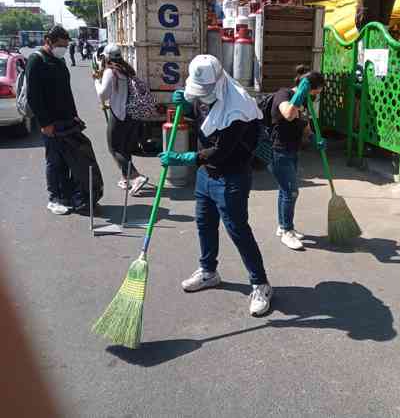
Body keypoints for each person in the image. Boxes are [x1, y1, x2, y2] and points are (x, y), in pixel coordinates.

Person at [161, 54, 272, 316]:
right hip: (205, 175)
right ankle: (209, 271)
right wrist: (185, 106)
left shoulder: (238, 109)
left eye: (204, 92)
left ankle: (261, 284)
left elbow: (220, 151)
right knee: (204, 223)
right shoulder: (205, 94)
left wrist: (184, 157)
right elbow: (200, 117)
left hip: (231, 176)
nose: (201, 96)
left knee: (237, 230)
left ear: (219, 82)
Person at [26, 25, 83, 215]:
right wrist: (44, 124)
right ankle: (55, 198)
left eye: (66, 46)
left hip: (67, 120)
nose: (64, 49)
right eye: (60, 45)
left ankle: (67, 194)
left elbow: (67, 92)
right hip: (51, 122)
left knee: (68, 159)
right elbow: (34, 96)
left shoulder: (59, 60)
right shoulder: (36, 60)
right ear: (48, 41)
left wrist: (74, 115)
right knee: (54, 160)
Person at [269, 65, 326, 250]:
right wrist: (300, 94)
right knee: (291, 191)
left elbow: (305, 126)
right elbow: (288, 114)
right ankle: (287, 232)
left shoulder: (305, 102)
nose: (316, 96)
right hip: (278, 151)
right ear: (309, 88)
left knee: (284, 190)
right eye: (316, 92)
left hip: (292, 151)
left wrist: (315, 137)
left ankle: (282, 226)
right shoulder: (283, 95)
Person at [95, 44, 148, 195]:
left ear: (105, 57)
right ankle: (126, 178)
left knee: (114, 148)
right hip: (132, 115)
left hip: (119, 115)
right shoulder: (127, 70)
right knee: (124, 147)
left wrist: (96, 83)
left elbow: (103, 95)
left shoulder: (110, 72)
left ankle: (136, 177)